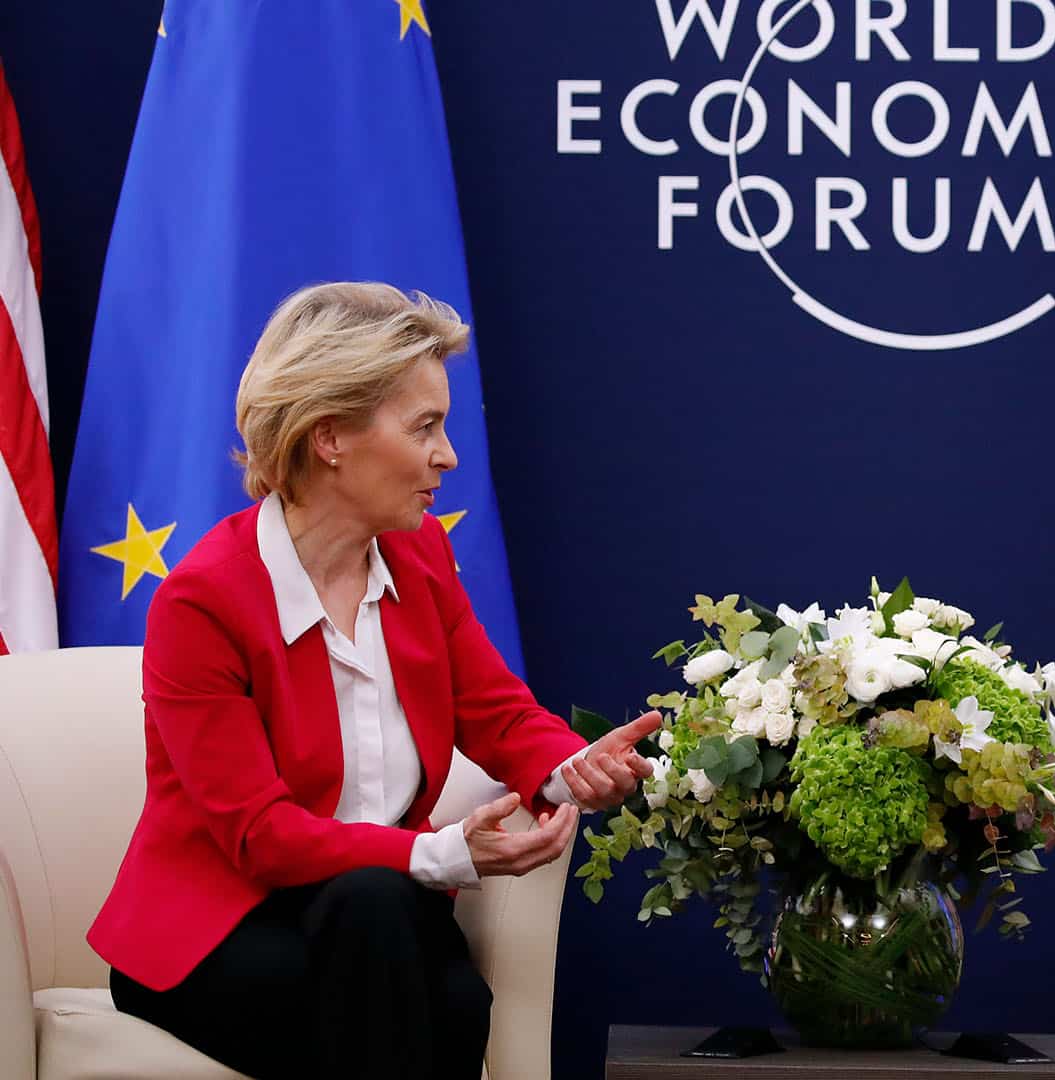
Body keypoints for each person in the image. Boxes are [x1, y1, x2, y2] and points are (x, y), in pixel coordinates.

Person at [88, 282, 661, 1079]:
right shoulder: (202, 602)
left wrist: (571, 770)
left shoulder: (420, 555)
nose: (448, 456)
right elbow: (260, 835)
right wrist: (445, 854)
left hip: (377, 912)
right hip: (222, 930)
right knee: (400, 949)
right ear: (329, 437)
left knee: (424, 966)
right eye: (425, 426)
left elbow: (495, 711)